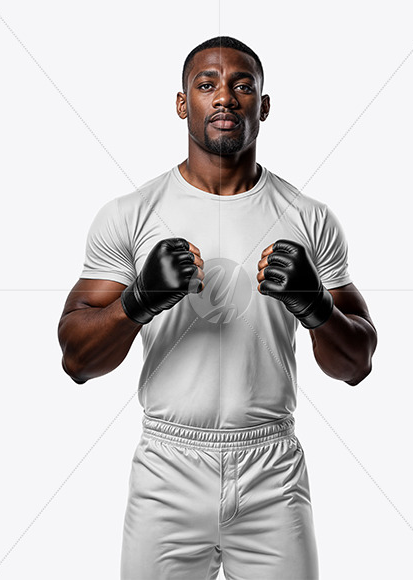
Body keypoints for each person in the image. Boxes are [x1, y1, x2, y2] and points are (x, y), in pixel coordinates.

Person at [58, 36, 377, 580]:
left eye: (242, 85)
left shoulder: (310, 218)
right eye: (207, 85)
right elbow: (77, 361)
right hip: (168, 468)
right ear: (184, 104)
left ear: (264, 105)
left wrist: (316, 305)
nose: (225, 97)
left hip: (270, 470)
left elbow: (357, 366)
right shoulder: (130, 215)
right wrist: (136, 302)